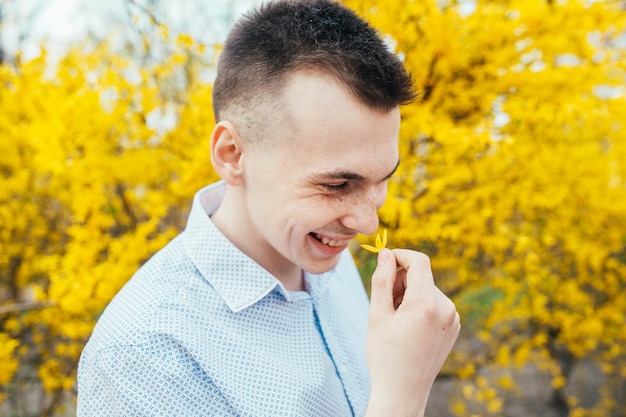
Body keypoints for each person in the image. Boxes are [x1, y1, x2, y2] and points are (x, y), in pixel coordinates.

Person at [77, 0, 460, 415]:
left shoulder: (323, 253)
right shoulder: (147, 356)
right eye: (336, 185)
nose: (368, 223)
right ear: (231, 154)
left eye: (383, 178)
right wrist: (402, 394)